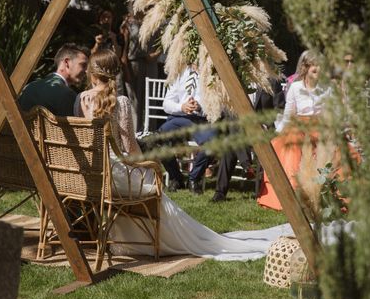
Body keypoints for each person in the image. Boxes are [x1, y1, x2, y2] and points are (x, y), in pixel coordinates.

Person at [76, 49, 293, 259]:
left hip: (93, 173)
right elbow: (130, 148)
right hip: (116, 175)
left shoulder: (82, 99)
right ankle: (157, 236)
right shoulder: (121, 102)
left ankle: (189, 181)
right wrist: (147, 163)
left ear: (92, 74)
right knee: (152, 173)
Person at [257, 51, 332, 211]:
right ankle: (290, 196)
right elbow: (288, 113)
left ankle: (324, 195)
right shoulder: (296, 87)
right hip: (299, 126)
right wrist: (279, 133)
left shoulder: (326, 88)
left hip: (319, 127)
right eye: (314, 65)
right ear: (306, 67)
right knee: (290, 146)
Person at [211, 79, 286, 203]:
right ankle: (221, 192)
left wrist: (268, 125)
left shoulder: (272, 80)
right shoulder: (237, 77)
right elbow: (228, 110)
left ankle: (245, 164)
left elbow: (279, 108)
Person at [157, 65, 217, 194]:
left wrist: (200, 107)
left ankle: (194, 178)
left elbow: (219, 105)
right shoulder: (179, 72)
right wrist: (182, 107)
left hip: (202, 120)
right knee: (160, 139)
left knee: (211, 143)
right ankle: (176, 177)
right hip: (179, 117)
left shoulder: (214, 73)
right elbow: (166, 103)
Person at [18, 43, 89, 116]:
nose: (86, 71)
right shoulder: (67, 95)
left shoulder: (28, 87)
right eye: (83, 65)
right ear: (67, 63)